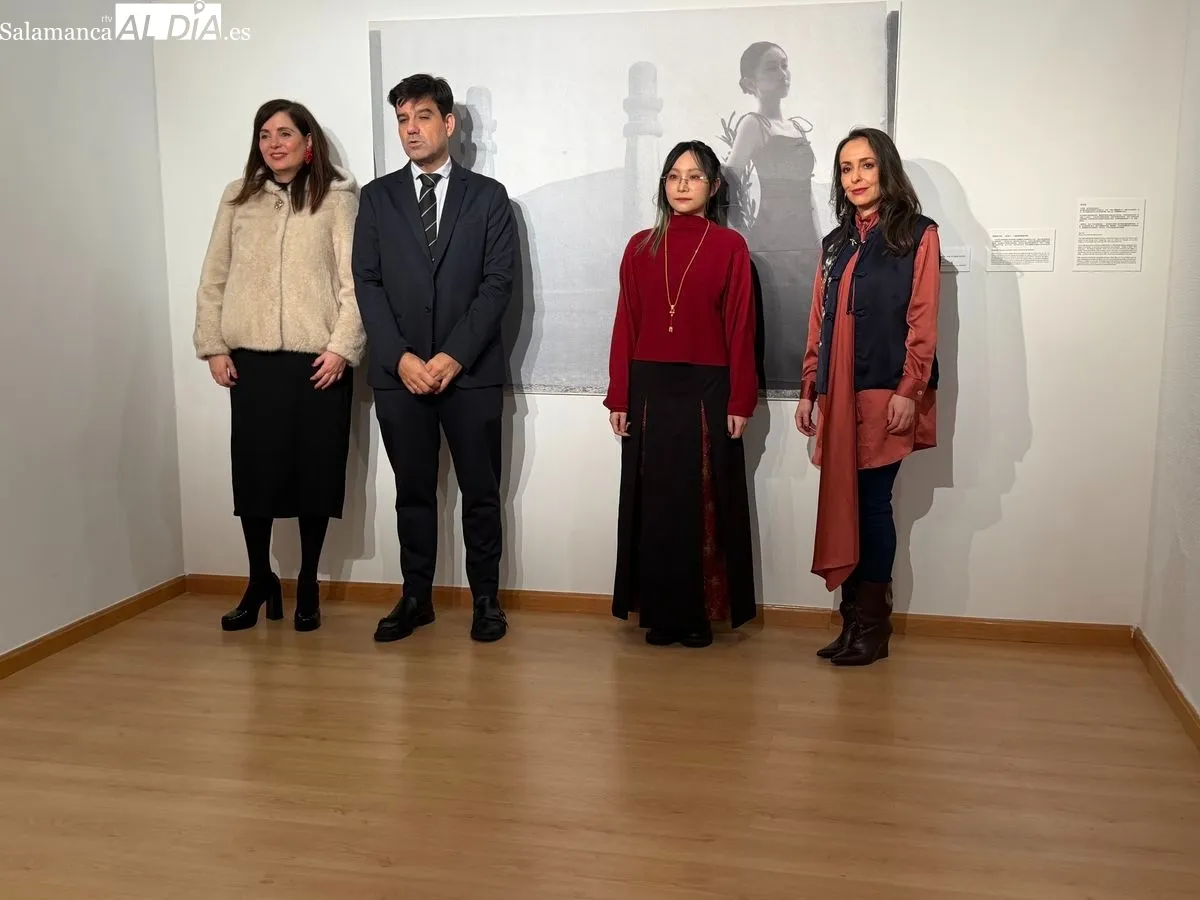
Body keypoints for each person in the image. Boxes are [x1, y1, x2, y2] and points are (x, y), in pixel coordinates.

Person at [352, 74, 516, 644]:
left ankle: (487, 600)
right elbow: (367, 283)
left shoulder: (489, 197)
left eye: (422, 117)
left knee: (481, 493)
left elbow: (497, 284)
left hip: (469, 374)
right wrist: (399, 357)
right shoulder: (376, 199)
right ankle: (415, 597)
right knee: (413, 492)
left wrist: (452, 356)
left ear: (448, 123)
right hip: (399, 377)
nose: (411, 129)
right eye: (402, 119)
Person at [193, 99, 365, 633]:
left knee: (316, 472)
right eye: (264, 134)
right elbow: (214, 276)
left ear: (308, 142)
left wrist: (342, 348)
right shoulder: (237, 198)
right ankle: (258, 579)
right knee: (255, 476)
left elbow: (354, 282)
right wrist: (214, 345)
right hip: (252, 364)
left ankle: (308, 580)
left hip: (318, 364)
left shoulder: (337, 199)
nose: (273, 143)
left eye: (285, 133)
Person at [604, 140, 759, 648]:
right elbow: (626, 324)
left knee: (704, 502)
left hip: (707, 389)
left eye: (694, 176)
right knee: (654, 504)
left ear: (713, 187)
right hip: (649, 388)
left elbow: (740, 328)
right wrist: (619, 396)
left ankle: (698, 616)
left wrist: (740, 400)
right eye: (674, 176)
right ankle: (659, 613)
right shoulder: (639, 246)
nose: (682, 185)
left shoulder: (730, 247)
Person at [795, 127, 940, 666]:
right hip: (837, 396)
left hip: (886, 391)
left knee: (873, 504)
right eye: (846, 168)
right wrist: (810, 389)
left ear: (886, 170)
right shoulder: (835, 244)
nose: (855, 177)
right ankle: (852, 620)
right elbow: (819, 321)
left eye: (866, 165)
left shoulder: (917, 234)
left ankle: (874, 629)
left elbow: (923, 318)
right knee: (844, 502)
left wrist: (910, 388)